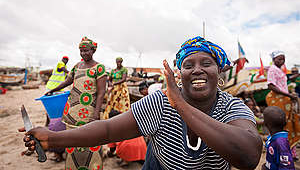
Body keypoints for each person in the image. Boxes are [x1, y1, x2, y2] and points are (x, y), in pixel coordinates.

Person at [21, 36, 262, 170]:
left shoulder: (231, 107)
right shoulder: (159, 102)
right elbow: (106, 130)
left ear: (219, 72)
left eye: (206, 64)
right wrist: (52, 138)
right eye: (189, 65)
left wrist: (180, 104)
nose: (197, 70)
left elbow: (249, 157)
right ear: (180, 73)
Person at [44, 36, 107, 169]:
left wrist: (96, 114)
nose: (84, 53)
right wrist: (52, 90)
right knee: (72, 144)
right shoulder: (77, 66)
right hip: (72, 113)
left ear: (93, 50)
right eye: (81, 51)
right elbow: (67, 81)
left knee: (90, 143)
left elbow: (101, 92)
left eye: (86, 51)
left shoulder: (99, 68)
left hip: (89, 113)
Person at [265, 50, 300, 160]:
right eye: (279, 58)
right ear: (273, 59)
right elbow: (271, 85)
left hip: (284, 99)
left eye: (283, 59)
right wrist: (289, 95)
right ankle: (280, 150)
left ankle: (289, 150)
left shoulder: (279, 70)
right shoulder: (272, 70)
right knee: (281, 125)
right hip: (278, 99)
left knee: (288, 124)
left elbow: (286, 80)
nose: (282, 61)